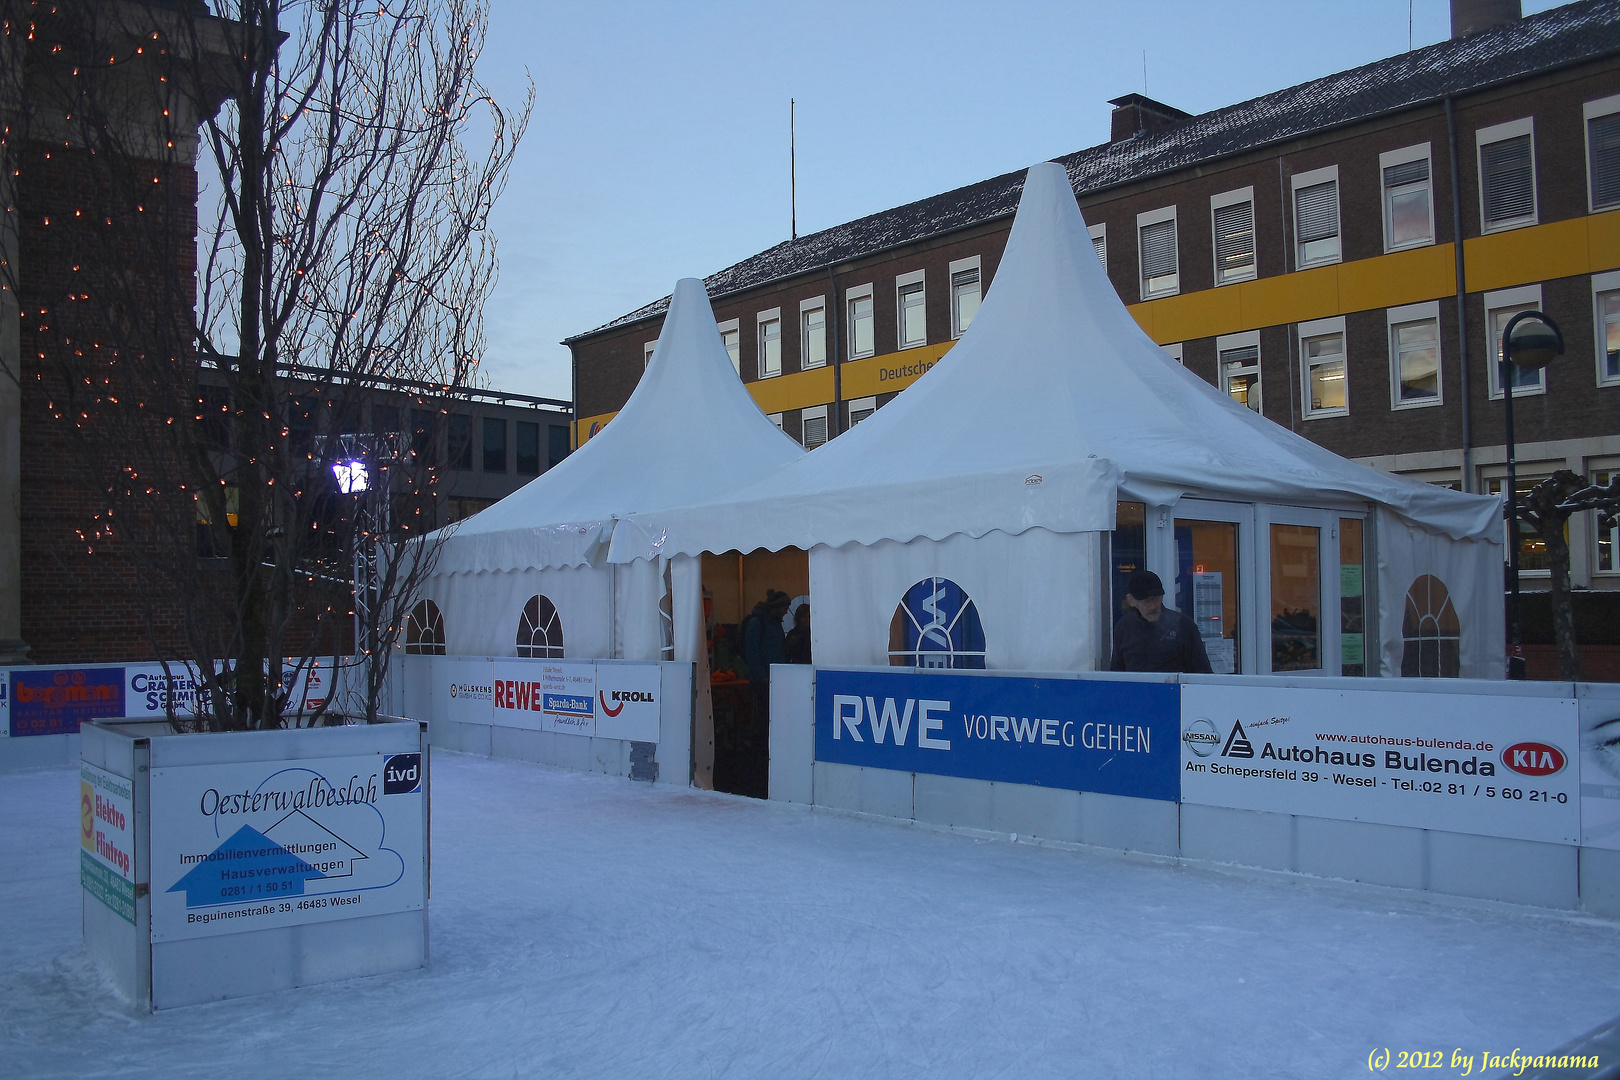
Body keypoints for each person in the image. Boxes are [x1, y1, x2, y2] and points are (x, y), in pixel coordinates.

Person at [1109, 570, 1213, 674]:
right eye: (1146, 601)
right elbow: (1116, 673)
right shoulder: (1125, 627)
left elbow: (1202, 671)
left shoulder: (1183, 625)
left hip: (1174, 688)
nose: (1153, 606)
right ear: (1131, 601)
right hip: (1135, 689)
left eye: (1156, 599)